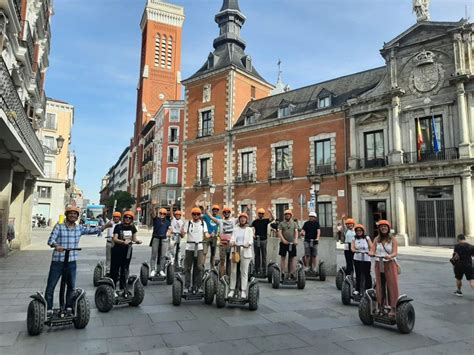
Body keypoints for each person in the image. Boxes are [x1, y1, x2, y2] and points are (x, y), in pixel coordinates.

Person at [46, 206, 109, 314]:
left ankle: (69, 306)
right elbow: (50, 240)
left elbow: (92, 230)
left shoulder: (79, 228)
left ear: (77, 216)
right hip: (58, 261)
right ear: (66, 215)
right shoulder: (59, 226)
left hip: (71, 262)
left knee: (71, 286)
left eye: (75, 214)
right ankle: (48, 309)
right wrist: (56, 245)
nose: (73, 215)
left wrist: (105, 226)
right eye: (70, 213)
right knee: (51, 285)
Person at [369, 220, 399, 318]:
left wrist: (390, 256)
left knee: (392, 285)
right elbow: (372, 249)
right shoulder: (376, 239)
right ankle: (381, 306)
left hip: (390, 263)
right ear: (379, 229)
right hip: (379, 263)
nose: (383, 228)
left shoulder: (393, 239)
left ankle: (393, 308)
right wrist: (371, 253)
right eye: (381, 227)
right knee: (379, 285)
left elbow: (395, 252)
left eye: (385, 226)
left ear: (388, 228)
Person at [111, 211, 142, 296]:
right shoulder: (118, 226)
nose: (127, 219)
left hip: (127, 251)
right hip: (117, 250)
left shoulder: (133, 228)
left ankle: (123, 288)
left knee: (124, 269)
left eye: (130, 218)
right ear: (123, 218)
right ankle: (112, 289)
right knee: (115, 270)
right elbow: (115, 238)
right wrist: (122, 242)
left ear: (132, 219)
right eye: (126, 217)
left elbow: (134, 239)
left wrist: (138, 241)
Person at [181, 207, 209, 293]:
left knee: (199, 267)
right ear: (192, 215)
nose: (196, 215)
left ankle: (198, 286)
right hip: (190, 247)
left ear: (200, 215)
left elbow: (206, 234)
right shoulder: (188, 223)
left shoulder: (203, 223)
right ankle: (187, 286)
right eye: (194, 214)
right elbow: (183, 235)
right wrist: (181, 232)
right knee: (188, 268)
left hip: (199, 248)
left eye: (198, 214)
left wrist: (210, 235)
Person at [229, 213, 254, 298]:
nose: (242, 219)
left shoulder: (249, 229)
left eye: (244, 218)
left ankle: (243, 290)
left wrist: (248, 244)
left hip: (245, 251)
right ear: (239, 220)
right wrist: (232, 242)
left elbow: (251, 239)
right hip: (236, 250)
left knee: (244, 272)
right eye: (241, 218)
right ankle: (232, 290)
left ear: (246, 220)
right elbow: (232, 238)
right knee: (233, 271)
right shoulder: (235, 229)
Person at [207, 206, 237, 277]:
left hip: (231, 244)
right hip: (222, 244)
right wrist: (206, 210)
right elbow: (211, 217)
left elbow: (243, 219)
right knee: (222, 261)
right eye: (225, 212)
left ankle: (228, 277)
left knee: (229, 261)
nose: (226, 213)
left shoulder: (233, 220)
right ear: (223, 213)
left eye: (228, 212)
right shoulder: (220, 221)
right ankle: (221, 277)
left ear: (230, 213)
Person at [351, 224, 373, 295]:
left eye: (360, 230)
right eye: (357, 231)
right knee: (358, 274)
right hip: (357, 258)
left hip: (366, 258)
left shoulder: (367, 238)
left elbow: (371, 247)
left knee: (367, 274)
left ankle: (368, 289)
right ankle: (357, 289)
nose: (359, 232)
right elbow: (352, 248)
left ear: (363, 231)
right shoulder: (354, 239)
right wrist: (355, 250)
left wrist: (370, 252)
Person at [150, 207, 172, 277]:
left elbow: (170, 229)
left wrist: (169, 232)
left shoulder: (168, 222)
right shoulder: (156, 219)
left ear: (166, 215)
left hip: (164, 239)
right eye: (161, 213)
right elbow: (153, 214)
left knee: (163, 255)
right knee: (154, 255)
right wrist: (153, 206)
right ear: (159, 213)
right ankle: (153, 270)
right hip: (156, 238)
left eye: (164, 214)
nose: (162, 214)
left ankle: (161, 270)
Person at [251, 208, 274, 275]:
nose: (261, 215)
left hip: (264, 240)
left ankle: (264, 270)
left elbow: (272, 219)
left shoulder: (265, 220)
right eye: (260, 213)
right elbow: (251, 228)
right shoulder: (255, 221)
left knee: (264, 256)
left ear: (263, 214)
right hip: (256, 240)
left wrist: (270, 212)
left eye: (262, 214)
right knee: (257, 256)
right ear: (258, 214)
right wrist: (253, 234)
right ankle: (256, 270)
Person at [278, 210, 299, 277]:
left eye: (288, 214)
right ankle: (283, 273)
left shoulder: (294, 223)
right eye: (286, 214)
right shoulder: (281, 223)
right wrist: (283, 240)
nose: (287, 215)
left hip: (292, 243)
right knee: (283, 258)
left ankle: (292, 273)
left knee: (292, 258)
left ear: (291, 215)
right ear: (284, 216)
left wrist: (295, 240)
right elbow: (279, 232)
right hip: (283, 243)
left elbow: (296, 232)